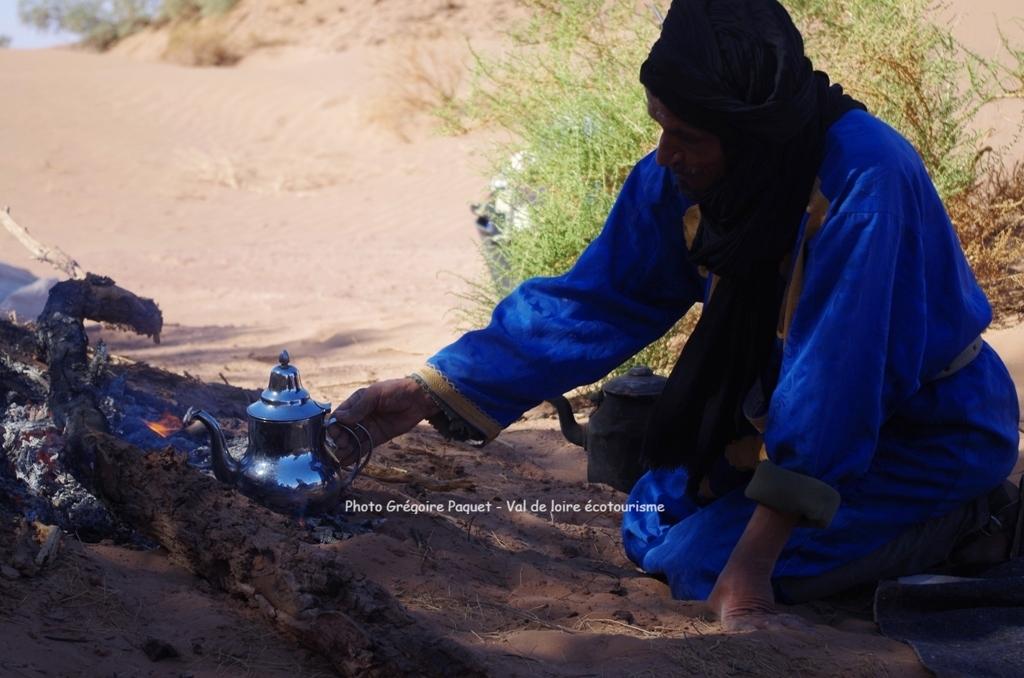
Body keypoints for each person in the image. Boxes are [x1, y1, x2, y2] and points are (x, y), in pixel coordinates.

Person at [326, 0, 1021, 629]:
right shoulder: (689, 175)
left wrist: (749, 572)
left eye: (687, 134)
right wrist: (424, 392)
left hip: (922, 434)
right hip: (775, 426)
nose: (666, 152)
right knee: (647, 520)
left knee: (700, 566)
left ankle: (970, 517)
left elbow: (835, 385)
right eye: (660, 124)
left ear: (752, 133)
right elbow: (595, 300)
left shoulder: (864, 183)